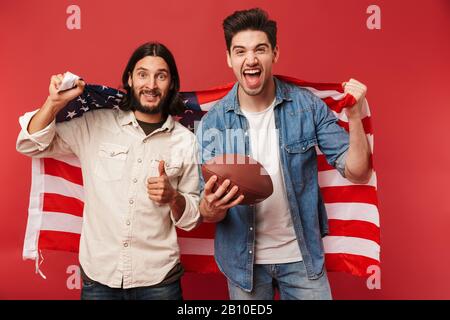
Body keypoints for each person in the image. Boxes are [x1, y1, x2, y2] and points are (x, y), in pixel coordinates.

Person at [196, 8, 373, 300]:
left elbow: (358, 171)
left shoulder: (307, 107)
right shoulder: (213, 123)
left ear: (275, 53)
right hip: (243, 267)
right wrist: (213, 207)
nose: (250, 60)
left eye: (260, 50)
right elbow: (205, 211)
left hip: (302, 258)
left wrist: (354, 117)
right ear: (229, 58)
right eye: (240, 51)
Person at [16, 42, 201, 300]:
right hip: (98, 278)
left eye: (161, 76)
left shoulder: (186, 141)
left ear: (171, 83)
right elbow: (29, 144)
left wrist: (173, 197)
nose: (151, 84)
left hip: (158, 279)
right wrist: (53, 103)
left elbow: (192, 218)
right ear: (129, 79)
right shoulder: (95, 124)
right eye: (142, 74)